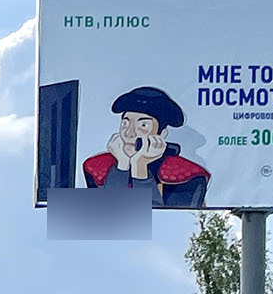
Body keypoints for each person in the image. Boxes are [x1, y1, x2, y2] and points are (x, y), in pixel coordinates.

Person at [81, 85, 211, 208]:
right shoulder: (98, 168)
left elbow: (161, 223)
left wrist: (140, 168)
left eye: (142, 126)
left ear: (162, 134)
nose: (129, 133)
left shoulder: (185, 176)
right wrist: (122, 167)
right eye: (125, 123)